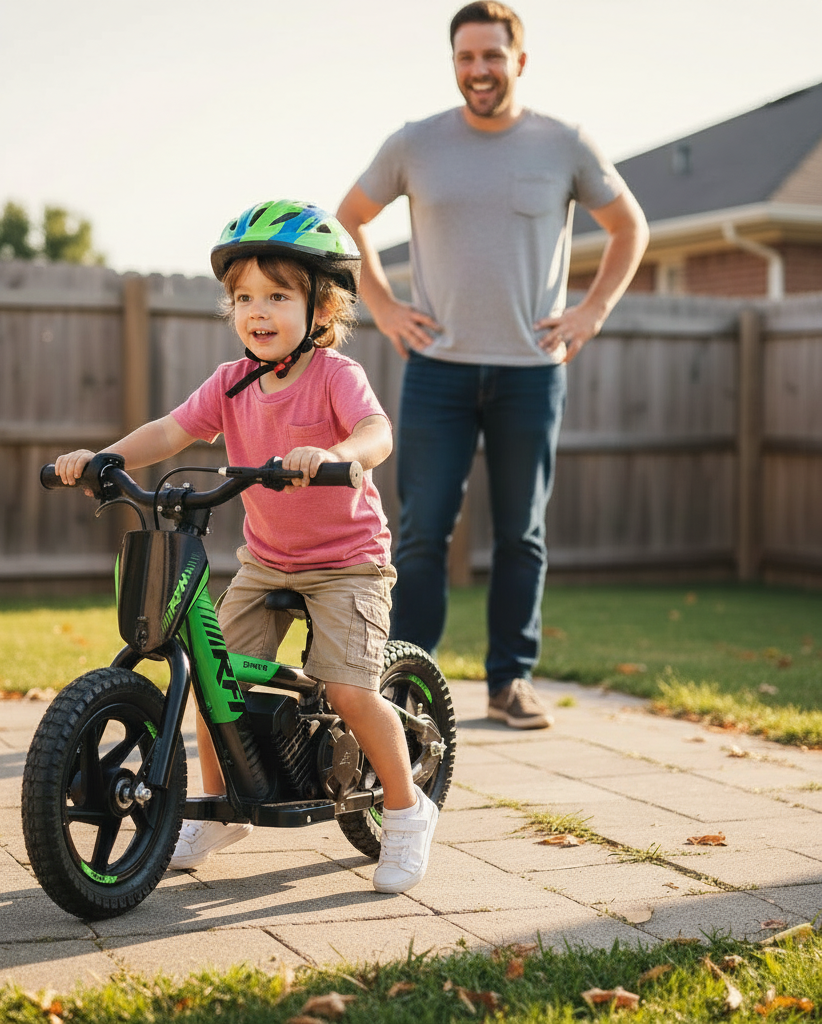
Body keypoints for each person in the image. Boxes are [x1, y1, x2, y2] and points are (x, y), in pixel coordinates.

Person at [54, 199, 439, 894]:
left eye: (277, 296)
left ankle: (409, 810)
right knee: (213, 680)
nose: (257, 311)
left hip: (347, 561)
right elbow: (170, 432)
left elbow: (376, 433)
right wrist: (104, 458)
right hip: (268, 559)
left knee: (351, 690)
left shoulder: (335, 376)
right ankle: (221, 810)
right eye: (243, 297)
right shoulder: (231, 382)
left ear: (321, 311)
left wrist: (337, 452)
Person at [336, 2, 648, 730]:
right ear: (454, 63)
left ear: (519, 61)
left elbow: (630, 226)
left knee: (522, 533)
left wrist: (590, 314)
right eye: (466, 57)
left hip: (531, 371)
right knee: (420, 532)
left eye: (492, 56)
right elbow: (348, 218)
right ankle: (406, 679)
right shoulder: (415, 144)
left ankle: (511, 680)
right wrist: (381, 304)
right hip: (438, 372)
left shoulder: (564, 143)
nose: (479, 70)